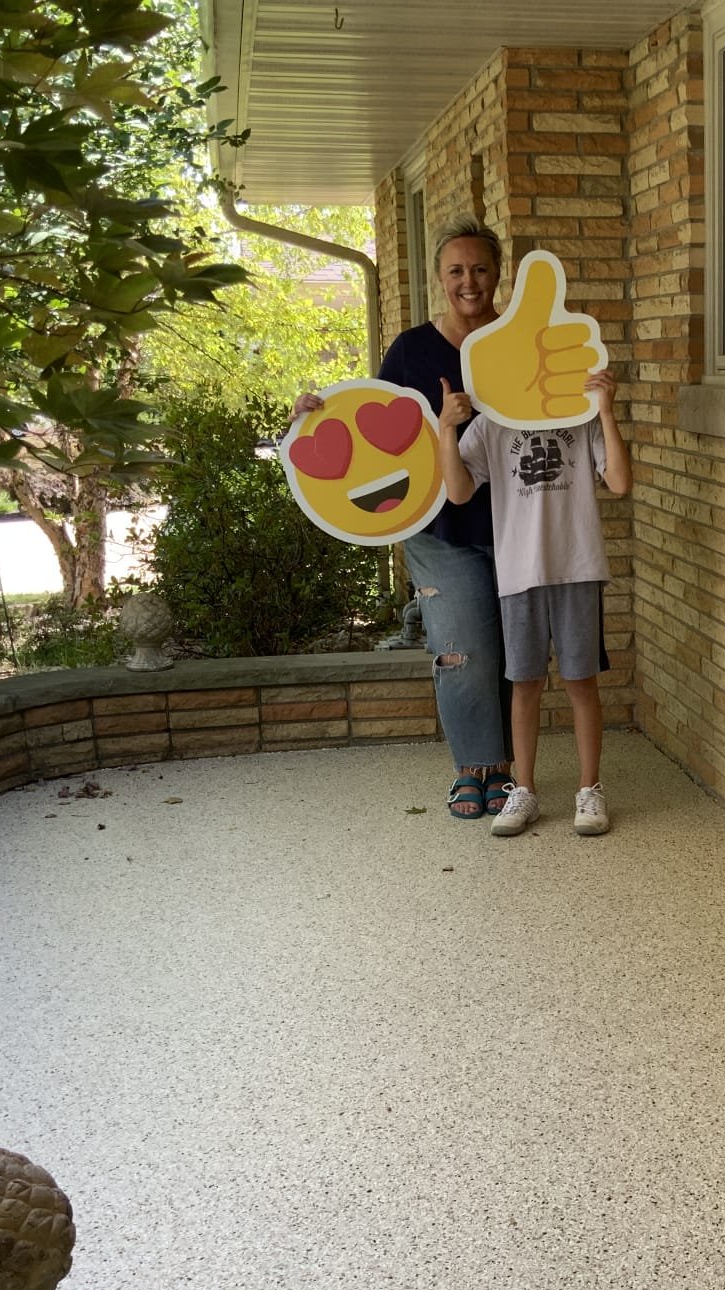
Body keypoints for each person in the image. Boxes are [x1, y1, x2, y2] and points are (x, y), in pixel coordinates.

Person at [294, 217, 512, 821]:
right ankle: (474, 770)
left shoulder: (517, 338)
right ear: (441, 279)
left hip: (520, 523)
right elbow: (370, 427)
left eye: (480, 268)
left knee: (513, 649)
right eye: (456, 271)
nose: (469, 282)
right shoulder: (413, 350)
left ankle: (506, 770)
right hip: (441, 530)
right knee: (464, 646)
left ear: (498, 273)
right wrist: (311, 417)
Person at [436, 369, 629, 837]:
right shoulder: (494, 421)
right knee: (525, 685)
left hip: (577, 567)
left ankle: (589, 788)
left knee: (581, 681)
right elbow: (458, 491)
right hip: (519, 574)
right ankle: (524, 790)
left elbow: (620, 482)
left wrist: (605, 410)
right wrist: (446, 427)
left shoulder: (579, 415)